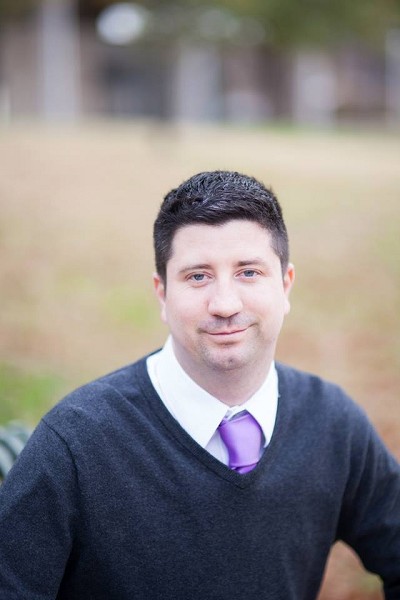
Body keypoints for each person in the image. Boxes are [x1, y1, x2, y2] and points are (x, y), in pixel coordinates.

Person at [0, 170, 399, 600]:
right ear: (162, 294)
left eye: (249, 272)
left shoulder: (333, 423)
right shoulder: (75, 444)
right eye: (197, 276)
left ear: (285, 286)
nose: (224, 304)